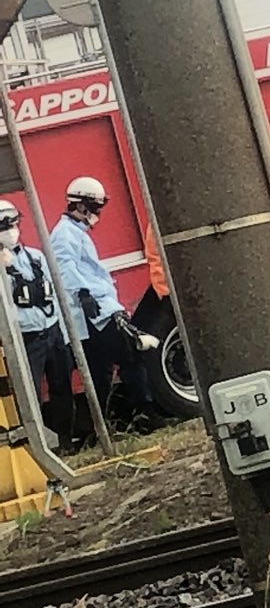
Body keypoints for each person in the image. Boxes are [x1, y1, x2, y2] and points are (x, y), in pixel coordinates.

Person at [49, 174, 156, 430]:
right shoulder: (65, 234)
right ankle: (147, 414)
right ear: (81, 204)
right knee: (129, 357)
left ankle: (100, 426)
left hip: (95, 311)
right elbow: (63, 268)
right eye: (95, 207)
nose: (98, 213)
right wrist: (83, 293)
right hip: (94, 311)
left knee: (100, 372)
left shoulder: (76, 232)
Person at [0, 201, 73, 443]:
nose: (10, 229)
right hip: (25, 338)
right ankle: (39, 444)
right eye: (4, 225)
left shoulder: (36, 257)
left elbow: (54, 293)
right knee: (30, 394)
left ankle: (65, 440)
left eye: (12, 222)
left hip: (52, 331)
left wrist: (64, 334)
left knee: (62, 387)